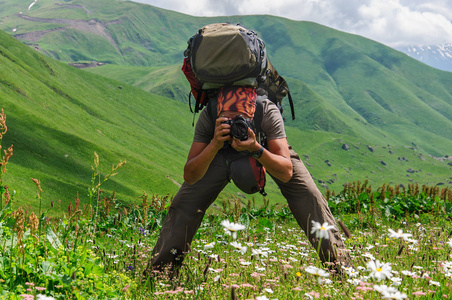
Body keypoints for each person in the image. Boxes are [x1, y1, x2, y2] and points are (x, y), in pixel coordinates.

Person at [146, 83, 349, 276]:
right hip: (220, 152)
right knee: (183, 204)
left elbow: (287, 171)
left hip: (261, 145)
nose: (236, 126)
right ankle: (160, 276)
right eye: (228, 121)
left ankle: (342, 271)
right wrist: (215, 144)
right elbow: (190, 175)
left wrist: (256, 148)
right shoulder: (210, 113)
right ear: (219, 114)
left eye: (240, 121)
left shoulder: (266, 110)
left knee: (309, 196)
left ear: (251, 114)